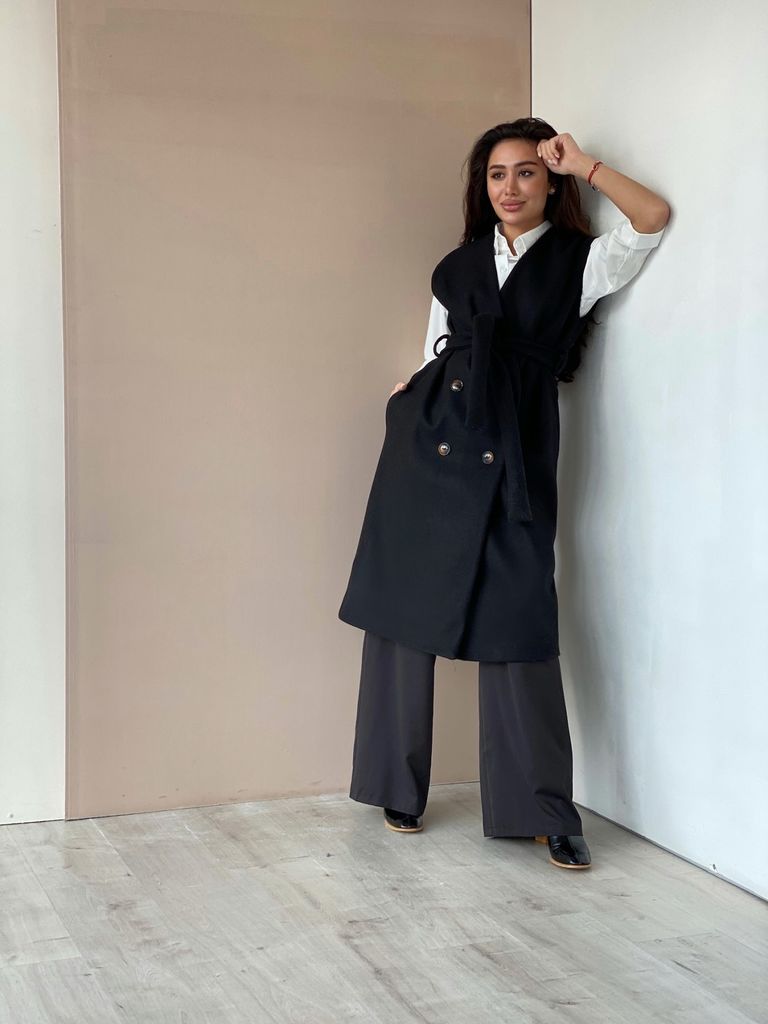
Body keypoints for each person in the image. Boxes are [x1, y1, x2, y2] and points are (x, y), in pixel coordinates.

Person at [338, 117, 670, 869]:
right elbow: (436, 348)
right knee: (402, 613)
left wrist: (585, 164)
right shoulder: (456, 265)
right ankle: (395, 785)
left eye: (526, 172)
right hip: (430, 450)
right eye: (496, 174)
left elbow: (651, 217)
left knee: (519, 623)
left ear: (550, 182)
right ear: (480, 186)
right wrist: (407, 399)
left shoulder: (580, 261)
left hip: (515, 455)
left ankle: (542, 809)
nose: (510, 188)